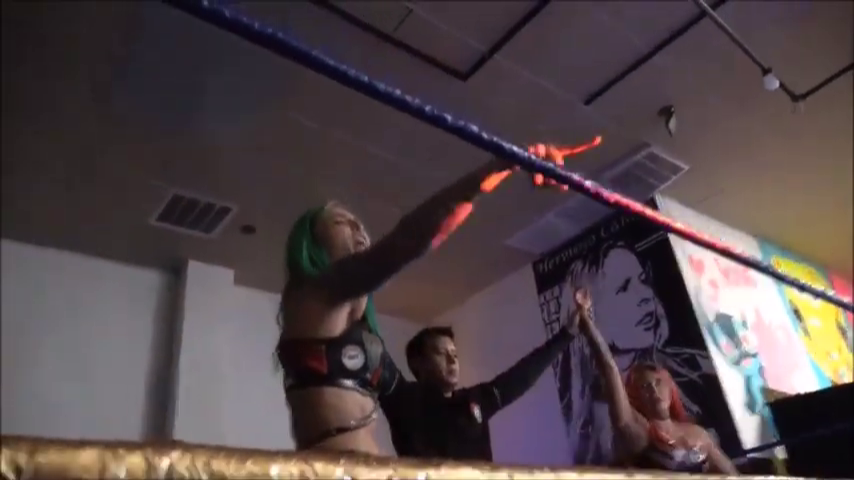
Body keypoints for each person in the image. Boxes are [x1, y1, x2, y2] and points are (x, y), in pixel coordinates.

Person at [273, 152, 561, 454]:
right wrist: (499, 166)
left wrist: (568, 331)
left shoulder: (366, 338)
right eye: (340, 222)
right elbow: (407, 240)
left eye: (358, 223)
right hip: (329, 469)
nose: (358, 228)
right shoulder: (308, 293)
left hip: (369, 468)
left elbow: (514, 381)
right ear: (311, 243)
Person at [552, 240, 713, 465]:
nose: (645, 294)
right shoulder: (596, 418)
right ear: (591, 316)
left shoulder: (691, 368)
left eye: (642, 280)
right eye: (624, 288)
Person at [571, 286, 738, 473]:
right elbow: (610, 370)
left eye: (658, 383)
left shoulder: (699, 434)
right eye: (644, 386)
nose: (653, 389)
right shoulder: (639, 433)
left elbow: (731, 474)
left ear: (670, 389)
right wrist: (587, 322)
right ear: (636, 397)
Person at [378, 323, 574, 461]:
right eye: (441, 353)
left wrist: (567, 333)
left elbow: (521, 375)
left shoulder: (473, 399)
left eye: (455, 354)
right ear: (418, 364)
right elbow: (373, 351)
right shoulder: (403, 398)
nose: (452, 361)